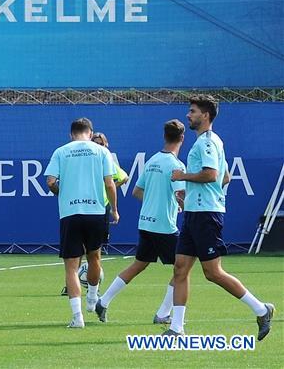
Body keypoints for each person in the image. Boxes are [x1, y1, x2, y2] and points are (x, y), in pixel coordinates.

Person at [164, 96, 274, 339]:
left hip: (206, 215)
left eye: (192, 111)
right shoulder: (209, 142)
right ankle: (176, 328)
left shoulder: (207, 143)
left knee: (212, 272)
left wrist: (183, 176)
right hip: (195, 212)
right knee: (180, 268)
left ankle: (261, 309)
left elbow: (212, 175)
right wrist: (191, 195)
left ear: (205, 115)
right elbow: (224, 178)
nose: (188, 115)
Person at [94, 120, 187, 324]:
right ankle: (163, 313)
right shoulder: (176, 165)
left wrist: (156, 202)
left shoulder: (153, 160)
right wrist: (180, 203)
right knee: (184, 268)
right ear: (182, 138)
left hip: (146, 223)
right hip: (164, 226)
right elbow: (181, 194)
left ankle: (104, 301)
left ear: (164, 137)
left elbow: (137, 192)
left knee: (139, 265)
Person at [45, 117, 117, 328]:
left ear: (71, 134)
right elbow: (110, 184)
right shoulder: (101, 151)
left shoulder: (61, 151)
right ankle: (93, 299)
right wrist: (114, 209)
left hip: (71, 212)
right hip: (95, 211)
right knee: (95, 257)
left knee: (71, 266)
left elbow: (50, 181)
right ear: (90, 131)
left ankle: (78, 318)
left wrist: (62, 192)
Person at [60, 131, 128, 296]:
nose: (98, 145)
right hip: (82, 207)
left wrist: (107, 191)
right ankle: (72, 284)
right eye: (95, 142)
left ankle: (93, 289)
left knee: (94, 252)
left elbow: (124, 177)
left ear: (106, 145)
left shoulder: (106, 159)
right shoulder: (84, 158)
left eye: (101, 143)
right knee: (78, 250)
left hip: (100, 208)